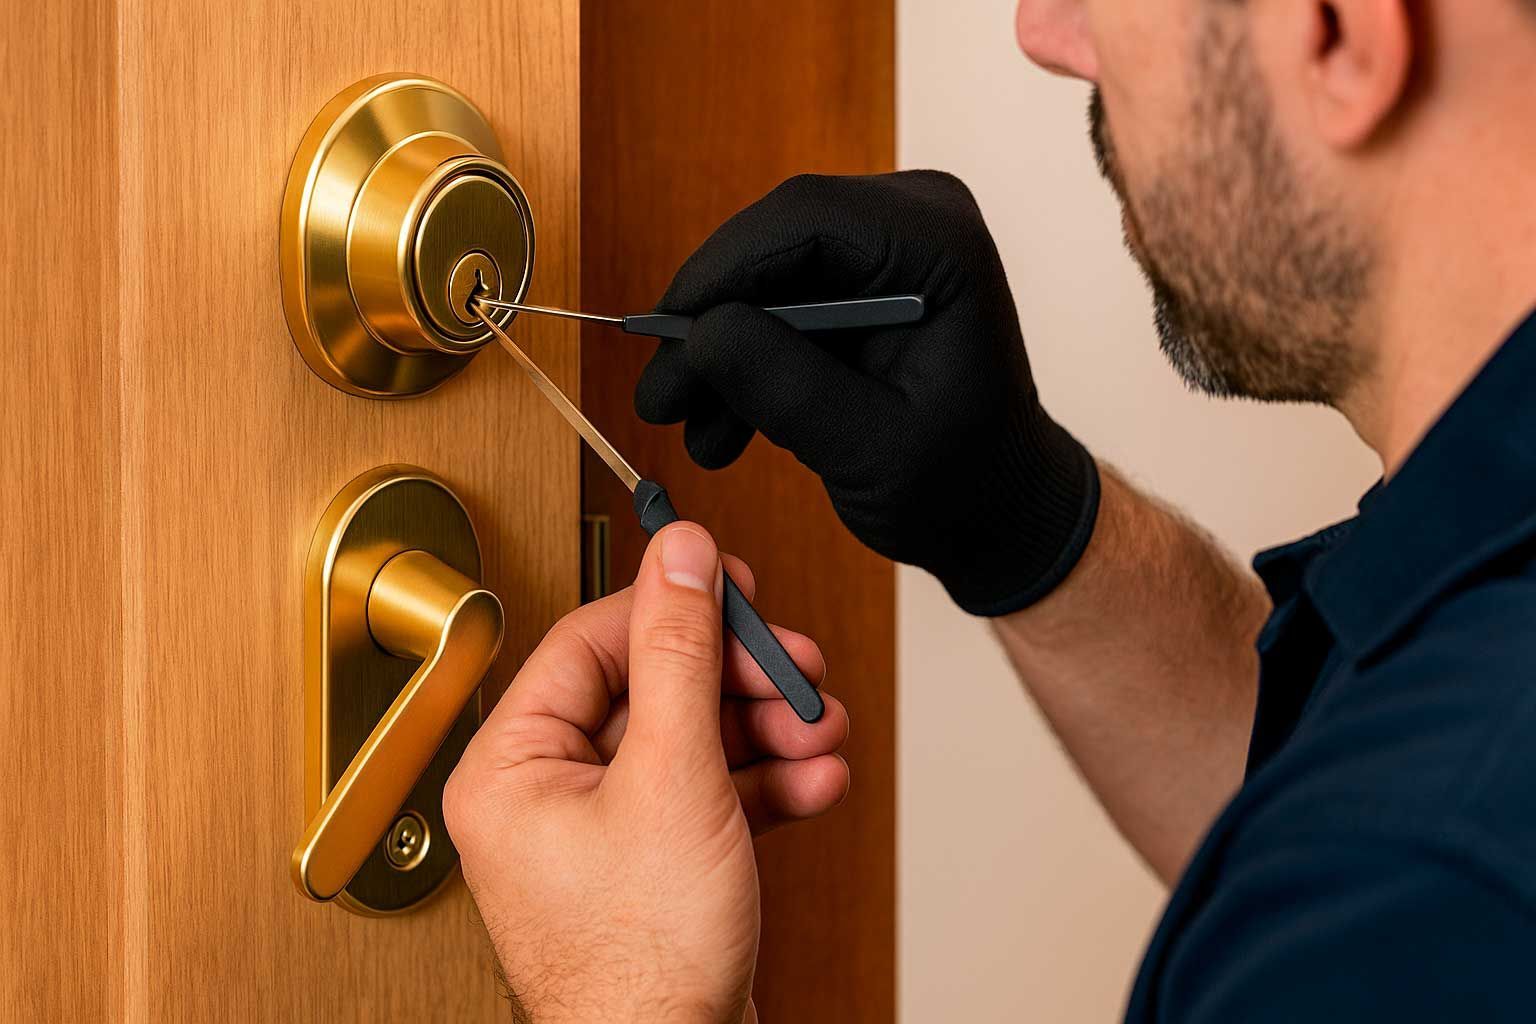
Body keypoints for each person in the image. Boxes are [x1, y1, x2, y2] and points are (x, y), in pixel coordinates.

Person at [442, 0, 1536, 1019]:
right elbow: (1332, 785)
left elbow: (1391, 859)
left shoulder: (1429, 884)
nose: (1046, 30)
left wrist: (631, 990)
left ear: (1338, 28)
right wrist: (1023, 519)